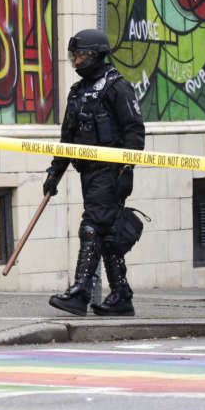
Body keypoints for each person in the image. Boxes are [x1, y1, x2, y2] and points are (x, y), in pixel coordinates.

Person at [43, 28, 144, 317]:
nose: (76, 63)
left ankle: (80, 292)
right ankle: (121, 295)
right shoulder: (78, 92)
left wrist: (128, 168)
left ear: (98, 56)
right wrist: (55, 172)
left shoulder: (117, 87)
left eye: (81, 56)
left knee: (91, 228)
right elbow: (68, 138)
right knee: (108, 234)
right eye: (73, 57)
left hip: (110, 172)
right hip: (88, 172)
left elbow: (134, 130)